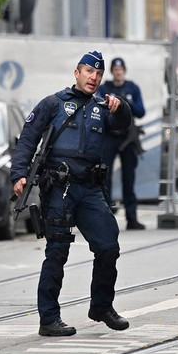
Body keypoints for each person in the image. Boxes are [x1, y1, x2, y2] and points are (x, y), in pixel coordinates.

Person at [11, 51, 133, 337]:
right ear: (76, 73)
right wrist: (19, 174)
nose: (94, 77)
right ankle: (49, 318)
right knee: (57, 252)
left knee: (108, 246)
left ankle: (101, 306)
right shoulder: (53, 103)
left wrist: (121, 107)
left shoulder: (102, 107)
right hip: (59, 188)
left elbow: (123, 123)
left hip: (90, 189)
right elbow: (28, 138)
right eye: (89, 71)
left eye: (98, 74)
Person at [96, 57, 146, 230]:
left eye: (120, 69)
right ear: (112, 71)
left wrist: (126, 102)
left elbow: (141, 112)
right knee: (105, 177)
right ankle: (105, 218)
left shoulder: (132, 88)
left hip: (128, 137)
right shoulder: (105, 88)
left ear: (124, 71)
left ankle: (132, 218)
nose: (118, 72)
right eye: (115, 70)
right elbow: (98, 109)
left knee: (128, 178)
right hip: (110, 136)